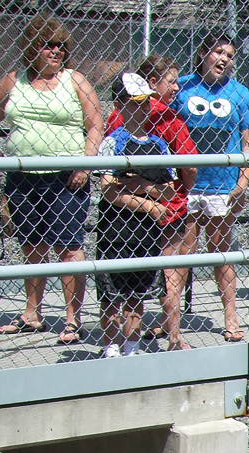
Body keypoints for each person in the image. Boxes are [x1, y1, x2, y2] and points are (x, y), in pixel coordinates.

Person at [0, 16, 104, 344]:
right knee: (31, 245)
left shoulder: (75, 81)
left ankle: (73, 318)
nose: (56, 51)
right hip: (22, 176)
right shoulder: (13, 80)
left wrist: (85, 166)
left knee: (69, 247)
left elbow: (96, 124)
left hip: (67, 178)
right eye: (49, 45)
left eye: (61, 45)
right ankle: (32, 313)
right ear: (32, 47)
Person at [108, 54, 199, 350]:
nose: (176, 88)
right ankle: (173, 336)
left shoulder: (117, 119)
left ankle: (125, 340)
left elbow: (113, 177)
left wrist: (140, 186)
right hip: (161, 210)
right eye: (171, 81)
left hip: (127, 212)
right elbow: (189, 166)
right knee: (169, 273)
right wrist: (174, 192)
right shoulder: (170, 118)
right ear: (152, 83)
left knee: (126, 284)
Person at [94, 74, 178, 358]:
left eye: (146, 103)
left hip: (144, 235)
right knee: (111, 294)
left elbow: (168, 192)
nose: (143, 109)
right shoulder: (111, 142)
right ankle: (110, 345)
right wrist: (150, 206)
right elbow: (108, 191)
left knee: (136, 293)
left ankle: (131, 344)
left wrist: (141, 186)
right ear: (119, 104)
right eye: (135, 103)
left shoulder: (158, 145)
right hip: (115, 231)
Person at [176, 34, 249, 342]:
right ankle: (172, 319)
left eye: (230, 55)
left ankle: (230, 318)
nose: (224, 59)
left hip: (223, 185)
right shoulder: (181, 87)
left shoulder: (241, 93)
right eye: (218, 52)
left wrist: (243, 180)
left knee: (222, 251)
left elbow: (248, 141)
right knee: (183, 251)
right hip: (187, 184)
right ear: (203, 54)